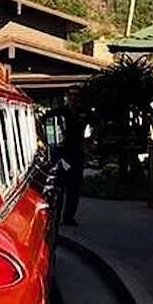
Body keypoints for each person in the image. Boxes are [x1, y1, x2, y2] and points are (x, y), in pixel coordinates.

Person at [46, 86, 89, 226]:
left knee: (74, 189)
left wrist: (90, 140)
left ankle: (68, 217)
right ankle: (56, 217)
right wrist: (48, 141)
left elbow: (99, 123)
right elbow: (42, 121)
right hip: (61, 154)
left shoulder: (84, 112)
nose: (74, 98)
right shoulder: (59, 112)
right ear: (67, 96)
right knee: (59, 187)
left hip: (77, 153)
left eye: (76, 95)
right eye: (71, 95)